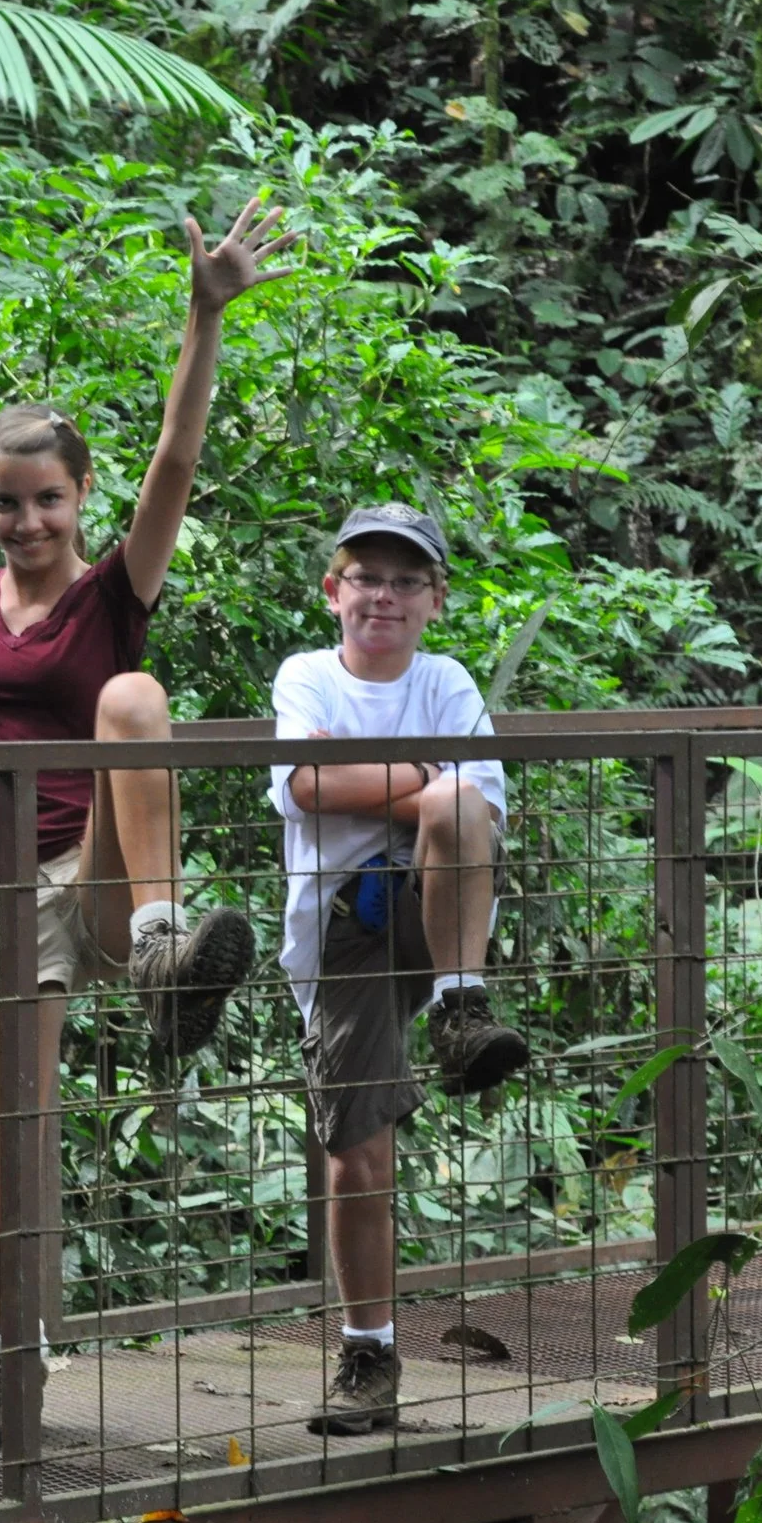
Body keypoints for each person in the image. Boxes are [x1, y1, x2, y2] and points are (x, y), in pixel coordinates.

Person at [0, 199, 297, 1445]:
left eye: (47, 498)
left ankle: (162, 946)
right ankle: (14, 1364)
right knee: (6, 1153)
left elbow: (176, 466)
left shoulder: (114, 587)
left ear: (78, 494)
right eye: (7, 503)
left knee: (134, 693)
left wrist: (204, 317)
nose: (29, 521)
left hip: (94, 874)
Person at [267, 502, 529, 1433]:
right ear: (334, 591)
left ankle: (463, 1006)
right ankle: (369, 1352)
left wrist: (384, 782)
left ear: (434, 600)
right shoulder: (306, 676)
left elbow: (476, 812)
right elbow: (301, 784)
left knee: (458, 801)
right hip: (345, 927)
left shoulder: (448, 680)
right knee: (357, 1153)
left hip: (435, 909)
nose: (384, 595)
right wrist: (420, 779)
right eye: (367, 577)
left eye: (405, 580)